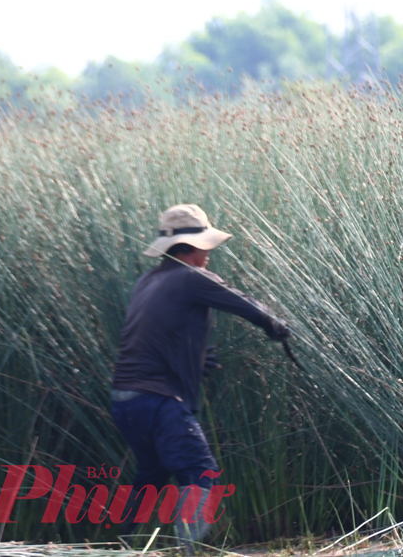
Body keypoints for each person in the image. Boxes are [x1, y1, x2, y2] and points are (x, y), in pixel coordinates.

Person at [111, 204, 291, 547]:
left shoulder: (148, 280)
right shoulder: (191, 276)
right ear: (192, 248)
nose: (208, 255)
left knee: (152, 476)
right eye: (206, 247)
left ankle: (120, 548)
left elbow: (153, 334)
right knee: (200, 472)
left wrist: (193, 359)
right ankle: (191, 552)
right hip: (159, 399)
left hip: (125, 400)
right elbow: (243, 303)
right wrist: (276, 326)